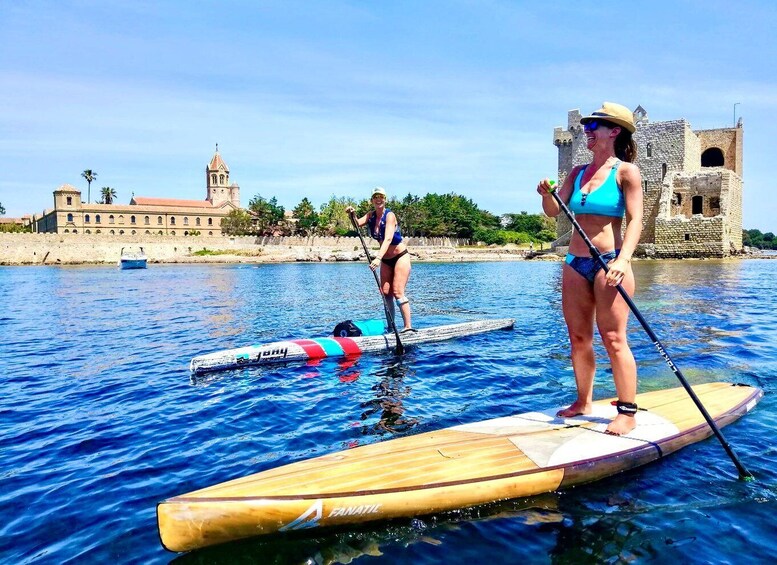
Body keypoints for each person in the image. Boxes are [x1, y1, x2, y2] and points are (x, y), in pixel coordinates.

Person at [536, 102, 643, 435]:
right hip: (574, 263)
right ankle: (584, 402)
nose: (587, 131)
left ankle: (627, 412)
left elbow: (636, 219)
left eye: (593, 126)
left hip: (609, 262)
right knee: (579, 338)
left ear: (614, 131)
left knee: (613, 338)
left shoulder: (626, 171)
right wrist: (545, 194)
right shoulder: (577, 172)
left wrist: (624, 260)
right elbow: (555, 211)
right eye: (586, 126)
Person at [346, 187, 414, 332]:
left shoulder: (389, 215)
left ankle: (408, 327)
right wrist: (352, 214)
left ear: (385, 199)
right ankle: (391, 327)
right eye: (375, 197)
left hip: (400, 256)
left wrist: (377, 258)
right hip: (386, 260)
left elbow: (388, 238)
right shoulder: (370, 215)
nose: (378, 199)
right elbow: (357, 224)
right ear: (372, 200)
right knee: (385, 292)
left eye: (381, 197)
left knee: (397, 292)